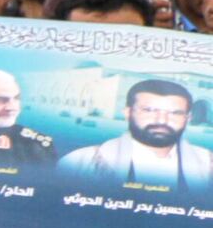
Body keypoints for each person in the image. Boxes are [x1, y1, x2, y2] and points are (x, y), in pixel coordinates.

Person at [64, 73, 213, 191]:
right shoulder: (81, 162)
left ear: (187, 118)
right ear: (128, 113)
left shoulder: (208, 165)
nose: (162, 120)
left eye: (175, 113)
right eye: (149, 110)